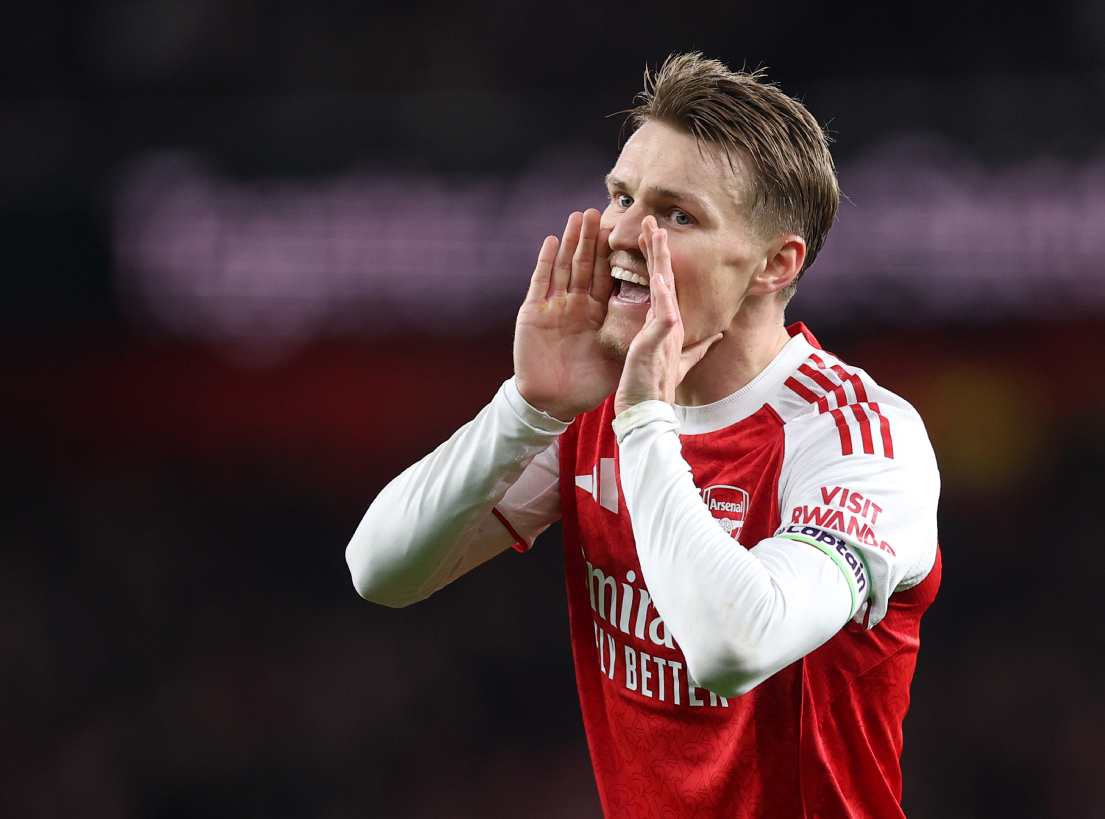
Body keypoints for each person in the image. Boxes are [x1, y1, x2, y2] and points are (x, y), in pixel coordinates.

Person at [345, 53, 940, 818]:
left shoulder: (859, 438)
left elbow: (733, 649)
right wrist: (528, 405)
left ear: (774, 263)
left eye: (676, 214)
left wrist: (644, 422)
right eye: (621, 196)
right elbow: (380, 569)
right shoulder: (592, 401)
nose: (622, 232)